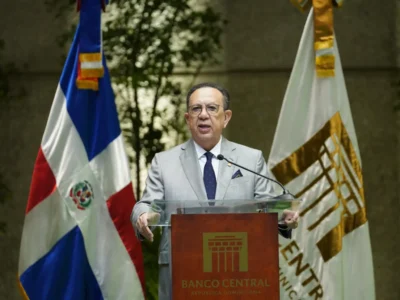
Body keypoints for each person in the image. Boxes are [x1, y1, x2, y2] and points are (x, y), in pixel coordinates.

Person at [131, 82, 299, 300]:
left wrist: (283, 216)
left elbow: (267, 206)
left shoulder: (250, 158)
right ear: (187, 119)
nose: (203, 115)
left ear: (226, 117)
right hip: (183, 274)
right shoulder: (164, 162)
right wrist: (143, 216)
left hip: (240, 275)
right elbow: (145, 203)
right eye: (196, 109)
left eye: (212, 108)